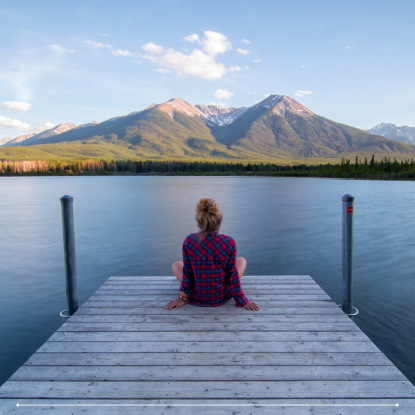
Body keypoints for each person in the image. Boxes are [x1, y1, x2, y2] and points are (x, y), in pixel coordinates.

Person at [166, 198, 259, 311]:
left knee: (176, 265)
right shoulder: (228, 242)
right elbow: (232, 276)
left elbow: (188, 273)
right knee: (242, 261)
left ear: (199, 221)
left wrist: (182, 298)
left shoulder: (189, 241)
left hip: (197, 295)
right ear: (219, 221)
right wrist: (242, 300)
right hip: (221, 296)